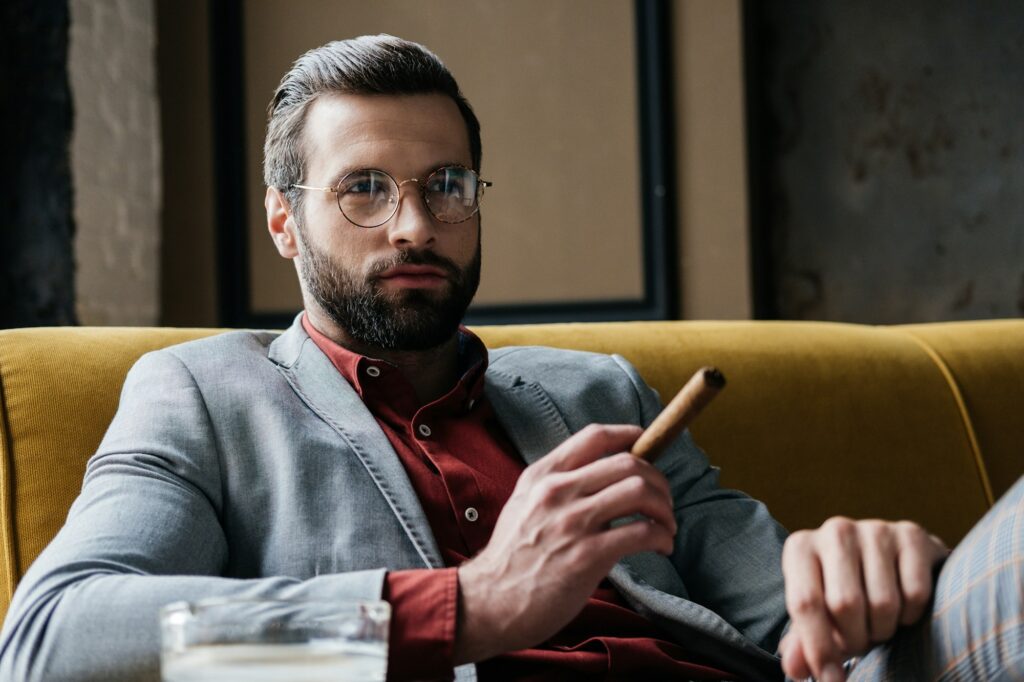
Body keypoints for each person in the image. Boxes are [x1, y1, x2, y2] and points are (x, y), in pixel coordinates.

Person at [1, 34, 1021, 682]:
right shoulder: (205, 393)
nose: (414, 224)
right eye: (363, 188)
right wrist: (469, 607)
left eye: (447, 185)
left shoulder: (598, 390)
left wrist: (869, 578)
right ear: (283, 221)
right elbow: (52, 643)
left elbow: (783, 610)